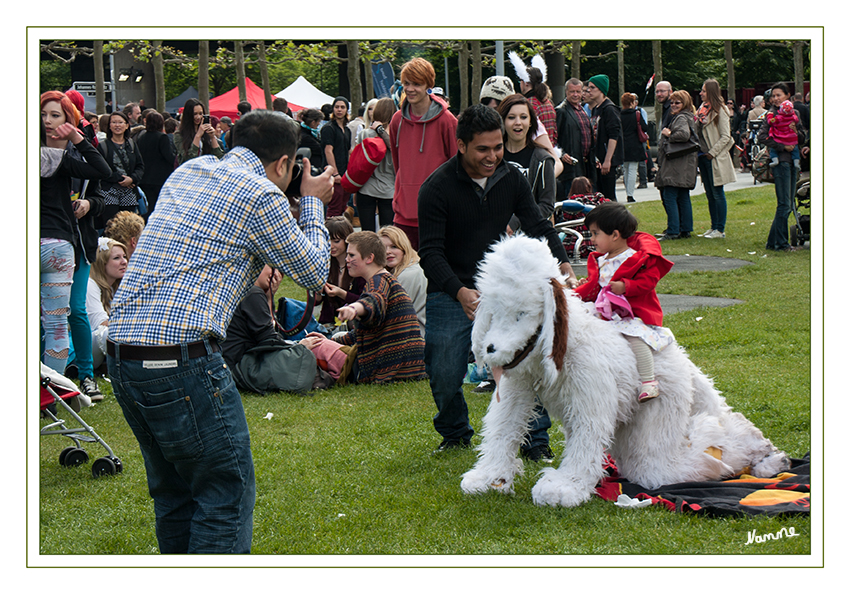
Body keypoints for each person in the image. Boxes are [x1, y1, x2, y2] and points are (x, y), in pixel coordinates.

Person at [106, 109, 335, 554]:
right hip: (181, 360)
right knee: (224, 494)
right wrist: (313, 202)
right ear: (285, 164)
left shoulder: (190, 169)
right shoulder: (260, 193)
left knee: (174, 494)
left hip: (122, 355)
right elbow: (313, 271)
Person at [417, 103, 576, 458]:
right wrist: (460, 293)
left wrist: (563, 263)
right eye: (483, 149)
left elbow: (537, 225)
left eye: (498, 147)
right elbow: (430, 253)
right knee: (443, 370)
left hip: (503, 288)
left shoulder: (512, 177)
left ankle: (536, 442)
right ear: (461, 145)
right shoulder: (436, 188)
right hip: (451, 287)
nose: (492, 156)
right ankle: (455, 431)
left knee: (523, 363)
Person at [574, 202, 675, 403]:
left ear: (614, 235)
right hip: (605, 312)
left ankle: (649, 381)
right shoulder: (602, 259)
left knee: (635, 337)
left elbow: (648, 281)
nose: (592, 240)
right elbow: (598, 285)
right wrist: (586, 286)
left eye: (595, 234)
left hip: (630, 314)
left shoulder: (636, 258)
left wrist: (626, 286)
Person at [40, 93, 111, 375]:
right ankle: (50, 398)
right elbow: (102, 169)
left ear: (68, 119)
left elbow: (101, 177)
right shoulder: (57, 158)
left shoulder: (61, 158)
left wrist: (90, 204)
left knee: (71, 315)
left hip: (66, 245)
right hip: (58, 244)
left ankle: (62, 387)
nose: (47, 121)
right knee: (56, 323)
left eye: (55, 115)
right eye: (44, 114)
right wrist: (79, 138)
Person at [334, 231, 427, 384]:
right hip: (408, 367)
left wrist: (355, 308)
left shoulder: (378, 282)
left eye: (351, 255)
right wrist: (332, 339)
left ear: (369, 258)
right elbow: (363, 333)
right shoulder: (384, 279)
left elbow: (373, 301)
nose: (347, 260)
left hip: (395, 369)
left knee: (318, 352)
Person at [388, 57, 458, 250]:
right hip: (403, 214)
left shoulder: (447, 121)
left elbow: (457, 166)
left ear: (429, 85)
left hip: (437, 214)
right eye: (406, 84)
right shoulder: (396, 120)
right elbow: (397, 163)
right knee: (403, 274)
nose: (410, 89)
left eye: (416, 84)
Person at [497, 94, 557, 232]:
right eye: (511, 117)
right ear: (503, 121)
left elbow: (546, 206)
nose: (518, 122)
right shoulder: (493, 156)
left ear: (531, 122)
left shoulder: (543, 159)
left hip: (529, 239)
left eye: (523, 117)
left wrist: (515, 222)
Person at [759, 83, 808, 252]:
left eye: (779, 95)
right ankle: (781, 244)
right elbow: (762, 137)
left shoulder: (795, 113)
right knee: (784, 204)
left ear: (788, 96)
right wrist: (781, 146)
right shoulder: (771, 115)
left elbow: (802, 137)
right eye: (773, 95)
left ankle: (773, 242)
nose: (775, 98)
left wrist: (796, 131)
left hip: (793, 163)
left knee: (788, 203)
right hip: (781, 162)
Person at [695, 79, 737, 239]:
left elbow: (726, 136)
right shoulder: (702, 109)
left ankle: (720, 229)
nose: (701, 93)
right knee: (710, 193)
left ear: (711, 92)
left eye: (704, 91)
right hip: (703, 156)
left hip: (714, 156)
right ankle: (713, 226)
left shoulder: (721, 110)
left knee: (718, 192)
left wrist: (712, 152)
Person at [654, 90, 698, 240]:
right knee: (683, 196)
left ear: (684, 103)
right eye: (672, 102)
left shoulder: (680, 118)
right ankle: (685, 228)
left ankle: (673, 230)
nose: (673, 105)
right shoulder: (688, 116)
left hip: (676, 165)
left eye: (677, 103)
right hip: (684, 164)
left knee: (670, 195)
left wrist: (668, 135)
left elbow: (683, 135)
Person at [95, 110, 145, 228]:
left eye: (120, 122)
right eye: (114, 122)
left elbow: (140, 165)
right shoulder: (103, 146)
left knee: (128, 227)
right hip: (109, 191)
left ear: (127, 125)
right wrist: (121, 179)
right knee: (111, 226)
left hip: (129, 191)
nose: (117, 125)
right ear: (109, 125)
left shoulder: (131, 144)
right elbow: (100, 169)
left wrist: (132, 179)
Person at [353, 97, 396, 232]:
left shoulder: (365, 134)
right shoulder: (397, 136)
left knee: (367, 233)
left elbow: (357, 162)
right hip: (389, 189)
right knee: (387, 233)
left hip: (366, 187)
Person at [314, 216, 366, 328]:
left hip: (353, 324)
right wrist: (318, 292)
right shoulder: (324, 263)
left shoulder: (359, 266)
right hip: (327, 323)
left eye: (336, 241)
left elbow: (367, 302)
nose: (331, 246)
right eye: (327, 241)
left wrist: (341, 293)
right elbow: (315, 302)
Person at [378, 225, 427, 337]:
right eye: (383, 248)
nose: (388, 252)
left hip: (412, 339)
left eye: (394, 247)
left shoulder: (409, 274)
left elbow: (392, 316)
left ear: (404, 248)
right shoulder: (405, 270)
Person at [87, 237, 128, 371]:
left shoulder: (114, 287)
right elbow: (99, 324)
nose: (124, 262)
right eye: (116, 258)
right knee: (105, 333)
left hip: (102, 349)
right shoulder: (89, 284)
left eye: (125, 257)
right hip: (79, 349)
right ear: (102, 262)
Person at [555, 77, 595, 199]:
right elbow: (553, 137)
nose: (575, 95)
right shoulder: (561, 111)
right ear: (566, 92)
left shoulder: (583, 110)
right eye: (572, 91)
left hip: (585, 165)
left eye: (578, 91)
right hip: (570, 166)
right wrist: (561, 153)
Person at [586, 74, 624, 201]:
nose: (588, 91)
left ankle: (615, 220)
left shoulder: (609, 109)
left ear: (601, 90)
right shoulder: (595, 109)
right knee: (600, 196)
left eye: (592, 88)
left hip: (607, 161)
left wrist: (608, 160)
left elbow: (614, 136)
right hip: (598, 160)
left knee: (609, 196)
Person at [135, 110, 175, 219]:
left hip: (145, 177)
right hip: (160, 178)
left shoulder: (141, 137)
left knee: (148, 208)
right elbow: (169, 157)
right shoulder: (162, 137)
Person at [321, 96, 352, 218]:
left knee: (343, 206)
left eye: (342, 107)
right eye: (337, 107)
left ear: (346, 110)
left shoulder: (347, 130)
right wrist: (335, 173)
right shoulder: (328, 128)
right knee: (334, 207)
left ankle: (340, 234)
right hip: (333, 174)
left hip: (345, 173)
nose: (339, 110)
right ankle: (331, 235)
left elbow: (349, 150)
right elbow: (328, 150)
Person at [174, 98, 224, 165]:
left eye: (201, 113)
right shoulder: (179, 135)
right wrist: (198, 135)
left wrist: (212, 138)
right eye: (195, 114)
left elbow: (220, 157)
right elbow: (189, 159)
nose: (198, 117)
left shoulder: (206, 133)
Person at [619, 92, 649, 203]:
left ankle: (628, 190)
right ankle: (630, 194)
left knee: (626, 169)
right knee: (632, 169)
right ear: (632, 103)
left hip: (623, 145)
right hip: (635, 145)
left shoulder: (619, 115)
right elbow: (644, 127)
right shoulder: (636, 114)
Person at [766, 99, 801, 170]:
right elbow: (797, 120)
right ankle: (796, 162)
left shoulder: (779, 118)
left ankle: (775, 160)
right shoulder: (794, 117)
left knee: (773, 150)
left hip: (781, 138)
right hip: (792, 138)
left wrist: (769, 115)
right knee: (795, 150)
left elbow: (770, 121)